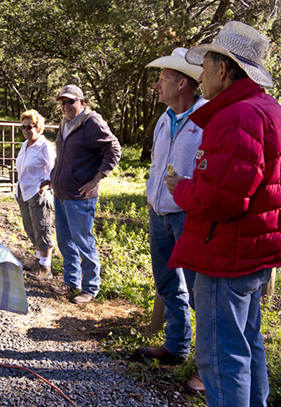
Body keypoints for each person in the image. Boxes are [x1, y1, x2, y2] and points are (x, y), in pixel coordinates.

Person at [166, 21, 281, 406]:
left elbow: (221, 199)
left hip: (226, 254)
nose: (199, 76)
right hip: (253, 249)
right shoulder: (266, 108)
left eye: (205, 65)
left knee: (220, 357)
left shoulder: (236, 116)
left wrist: (180, 188)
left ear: (222, 69)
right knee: (247, 344)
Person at [138, 48, 206, 393]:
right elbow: (157, 164)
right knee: (167, 283)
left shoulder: (208, 115)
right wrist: (152, 197)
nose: (156, 85)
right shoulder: (165, 117)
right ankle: (177, 347)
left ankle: (208, 371)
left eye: (162, 79)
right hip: (160, 213)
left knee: (200, 293)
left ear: (182, 83)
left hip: (189, 215)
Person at [50, 85, 121, 304]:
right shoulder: (66, 123)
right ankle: (71, 281)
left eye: (70, 102)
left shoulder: (91, 122)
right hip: (62, 192)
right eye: (62, 102)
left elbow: (114, 149)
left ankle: (90, 287)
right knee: (64, 240)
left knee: (83, 241)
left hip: (80, 195)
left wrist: (96, 179)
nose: (66, 106)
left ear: (82, 101)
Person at [16, 109, 56, 281]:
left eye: (30, 127)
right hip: (24, 191)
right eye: (24, 127)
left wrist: (46, 184)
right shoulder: (25, 145)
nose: (26, 130)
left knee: (42, 227)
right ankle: (39, 261)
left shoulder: (45, 146)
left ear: (38, 127)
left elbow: (54, 168)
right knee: (31, 227)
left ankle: (46, 267)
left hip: (37, 191)